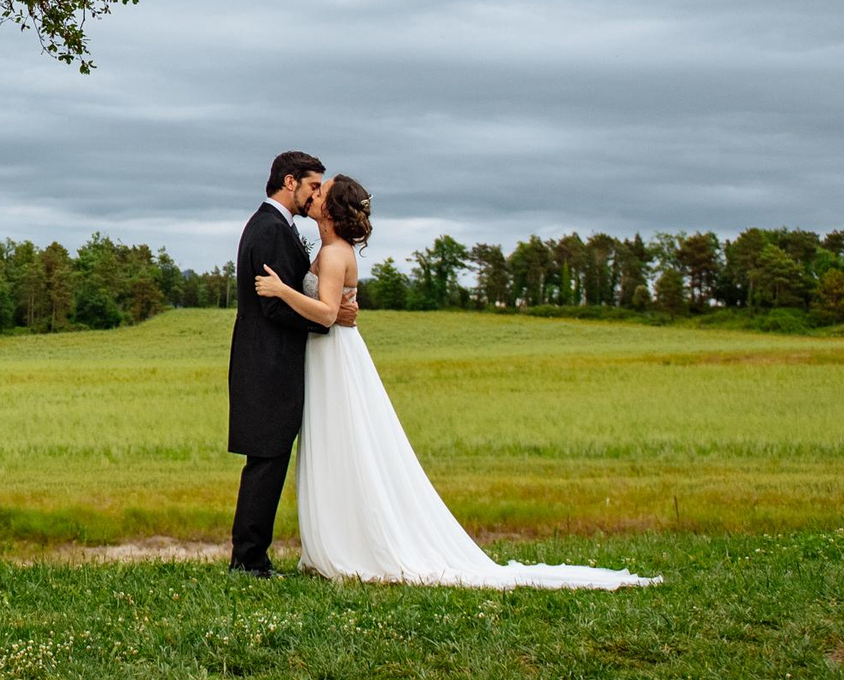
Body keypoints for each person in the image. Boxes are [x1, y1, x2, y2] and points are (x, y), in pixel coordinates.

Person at [254, 174, 659, 588]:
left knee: (346, 441)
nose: (314, 193)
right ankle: (335, 542)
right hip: (324, 353)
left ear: (333, 207)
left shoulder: (336, 253)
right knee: (333, 442)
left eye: (322, 190)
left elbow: (326, 313)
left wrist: (282, 291)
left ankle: (352, 547)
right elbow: (331, 308)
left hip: (335, 356)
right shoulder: (328, 250)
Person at [226, 150, 355, 576]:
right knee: (266, 460)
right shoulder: (271, 229)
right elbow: (274, 306)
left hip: (269, 361)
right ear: (289, 182)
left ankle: (250, 556)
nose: (315, 195)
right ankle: (249, 560)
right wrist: (328, 319)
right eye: (313, 186)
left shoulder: (273, 226)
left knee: (269, 458)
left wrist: (330, 310)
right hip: (268, 364)